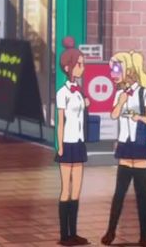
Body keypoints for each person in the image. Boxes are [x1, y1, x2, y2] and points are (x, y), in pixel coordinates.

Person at [102, 51, 146, 247]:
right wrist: (122, 101)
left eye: (116, 69)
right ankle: (111, 231)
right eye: (112, 69)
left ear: (128, 69)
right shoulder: (119, 94)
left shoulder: (145, 93)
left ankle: (144, 236)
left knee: (142, 194)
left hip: (140, 146)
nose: (113, 73)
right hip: (125, 145)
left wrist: (137, 117)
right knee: (119, 193)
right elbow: (114, 115)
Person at [55, 37, 90, 246]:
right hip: (67, 143)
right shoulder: (63, 93)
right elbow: (60, 122)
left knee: (76, 190)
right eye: (79, 64)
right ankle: (64, 235)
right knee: (66, 190)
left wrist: (86, 103)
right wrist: (59, 146)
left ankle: (74, 233)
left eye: (82, 64)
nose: (82, 68)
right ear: (68, 67)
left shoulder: (79, 92)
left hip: (79, 141)